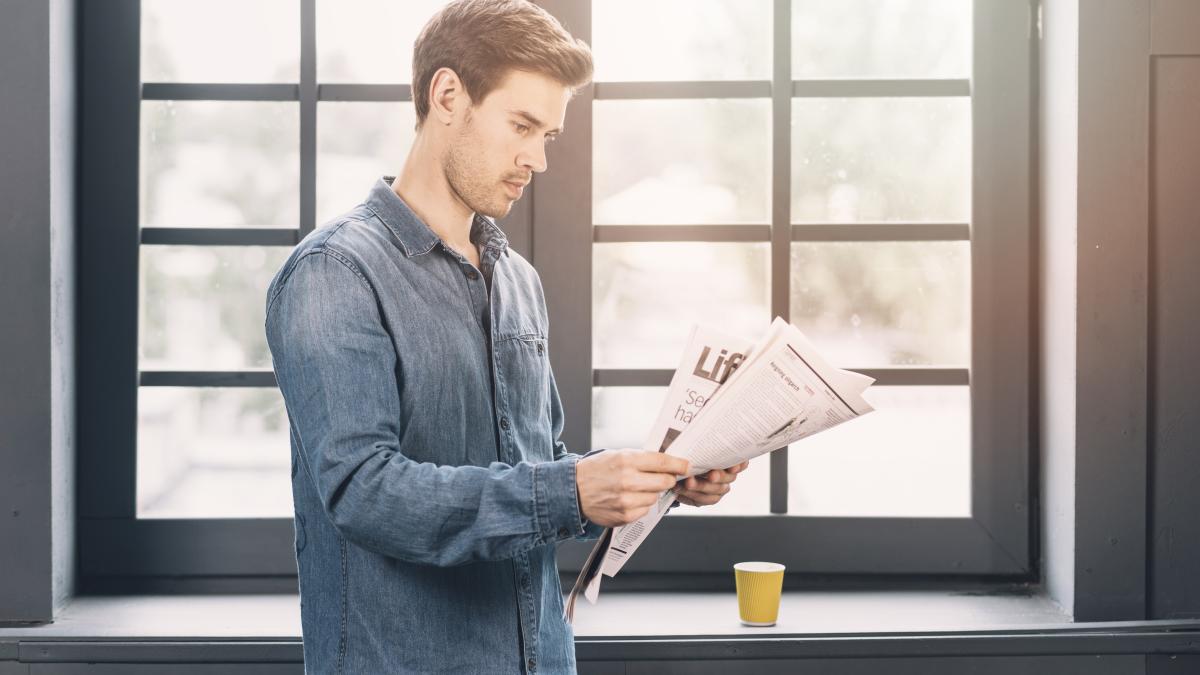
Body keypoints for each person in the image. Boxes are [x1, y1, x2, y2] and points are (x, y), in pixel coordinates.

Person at [264, 1, 748, 672]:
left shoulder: (518, 280)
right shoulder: (336, 273)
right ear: (448, 96)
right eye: (523, 125)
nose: (538, 159)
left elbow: (537, 464)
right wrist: (569, 490)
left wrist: (657, 479)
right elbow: (364, 492)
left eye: (548, 134)